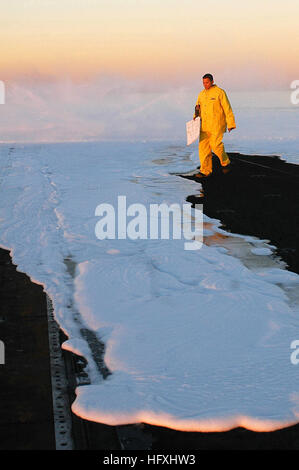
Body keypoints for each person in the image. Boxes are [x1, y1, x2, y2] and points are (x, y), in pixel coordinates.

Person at [193, 73, 236, 177]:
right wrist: (195, 116)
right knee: (203, 149)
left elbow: (227, 108)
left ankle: (226, 163)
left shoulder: (220, 92)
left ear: (212, 81)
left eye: (207, 82)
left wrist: (230, 123)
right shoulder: (201, 94)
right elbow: (197, 107)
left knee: (216, 145)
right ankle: (205, 171)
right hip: (203, 126)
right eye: (203, 83)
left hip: (216, 125)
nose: (205, 84)